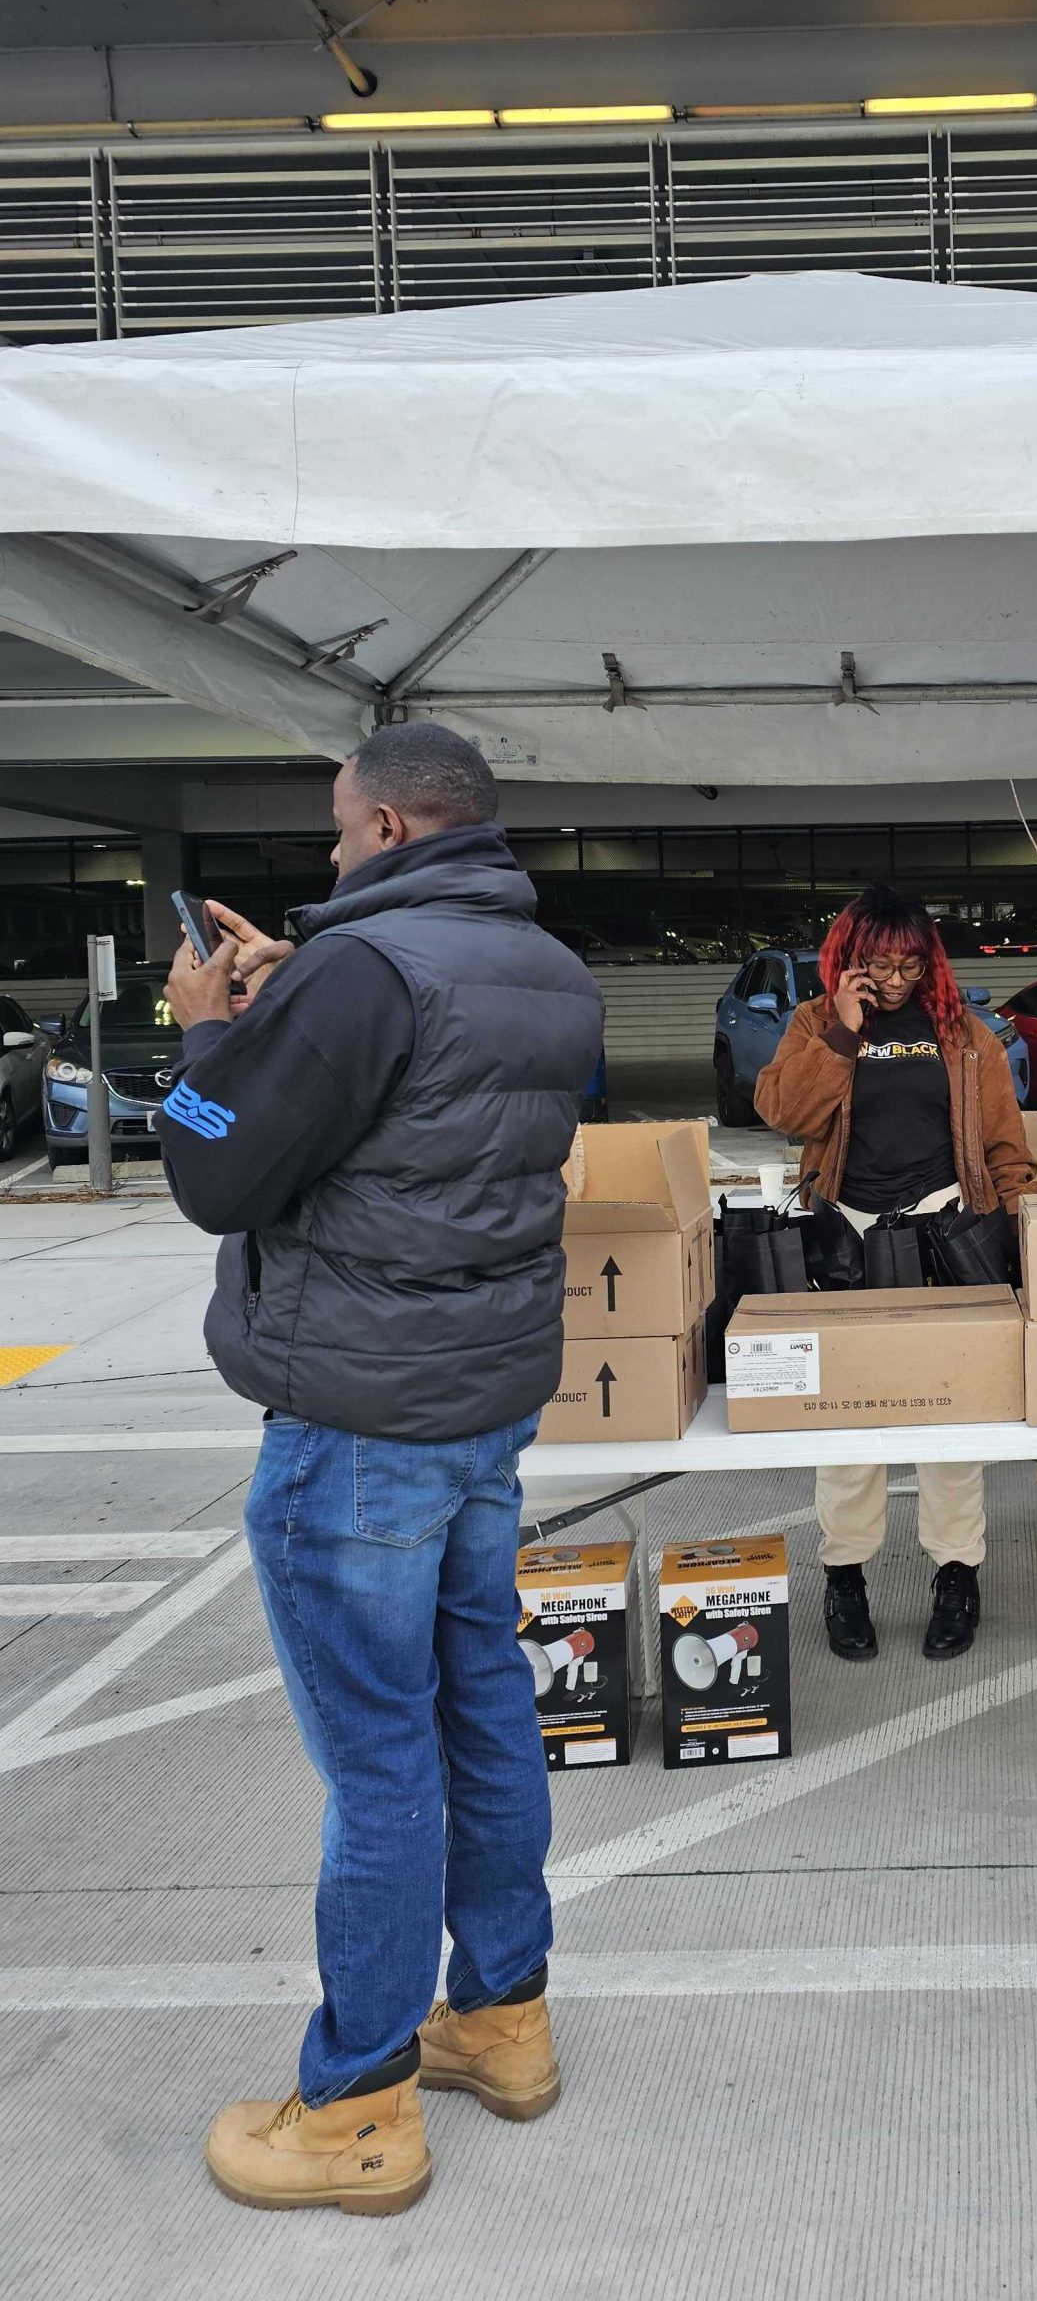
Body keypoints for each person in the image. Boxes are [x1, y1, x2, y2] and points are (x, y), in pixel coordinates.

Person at [156, 724, 603, 2218]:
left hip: (356, 1422)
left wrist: (208, 1040)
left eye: (343, 830)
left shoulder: (360, 973)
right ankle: (504, 2016)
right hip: (481, 1406)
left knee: (380, 1764)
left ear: (396, 828)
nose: (334, 852)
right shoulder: (545, 969)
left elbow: (213, 1167)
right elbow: (424, 1107)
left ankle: (355, 2101)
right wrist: (297, 1004)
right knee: (483, 1712)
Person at [753, 883, 1037, 1665]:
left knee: (953, 1417)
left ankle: (957, 1575)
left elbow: (1005, 1143)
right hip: (847, 1238)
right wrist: (843, 1032)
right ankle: (845, 1577)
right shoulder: (815, 1023)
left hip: (946, 1235)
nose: (897, 978)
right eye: (880, 964)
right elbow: (784, 1113)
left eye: (911, 964)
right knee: (849, 1418)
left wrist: (1026, 1235)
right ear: (849, 959)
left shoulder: (963, 1033)